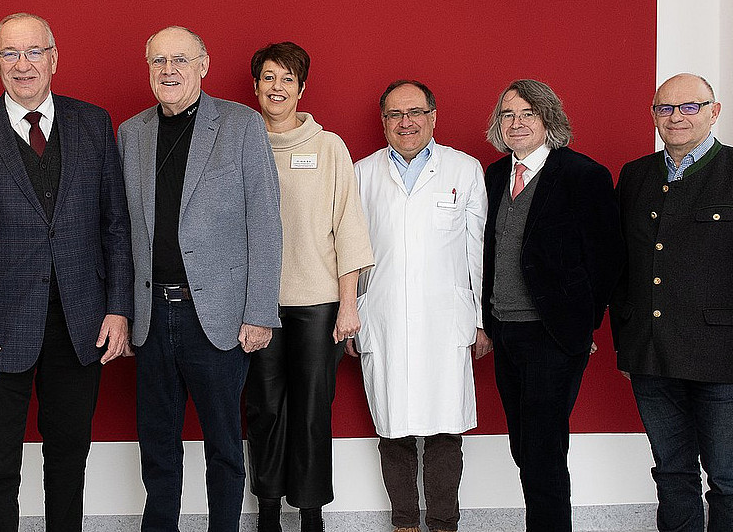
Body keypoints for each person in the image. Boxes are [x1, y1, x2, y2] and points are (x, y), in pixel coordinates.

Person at [0, 13, 134, 532]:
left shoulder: (93, 123)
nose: (23, 65)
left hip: (80, 323)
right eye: (10, 54)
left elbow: (115, 227)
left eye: (33, 52)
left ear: (54, 57)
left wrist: (118, 309)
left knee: (69, 461)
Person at [116, 26, 282, 532]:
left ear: (204, 65)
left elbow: (267, 222)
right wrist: (121, 310)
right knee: (157, 443)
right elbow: (120, 229)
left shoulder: (242, 125)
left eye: (180, 60)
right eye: (158, 61)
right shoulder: (131, 132)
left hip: (217, 316)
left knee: (224, 443)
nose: (169, 70)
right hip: (150, 317)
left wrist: (259, 313)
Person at [611, 73, 733, 532]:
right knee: (672, 474)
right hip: (652, 356)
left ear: (714, 111)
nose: (676, 117)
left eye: (689, 106)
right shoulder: (635, 175)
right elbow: (621, 264)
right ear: (654, 115)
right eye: (665, 108)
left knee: (730, 478)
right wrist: (626, 341)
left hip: (726, 362)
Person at [243, 41, 373, 532]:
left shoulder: (329, 146)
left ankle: (312, 512)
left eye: (287, 79)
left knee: (312, 409)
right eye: (269, 78)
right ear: (256, 85)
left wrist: (348, 305)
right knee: (264, 407)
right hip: (257, 305)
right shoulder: (241, 142)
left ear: (302, 88)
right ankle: (270, 510)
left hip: (318, 303)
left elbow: (349, 226)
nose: (277, 88)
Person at [481, 79, 622, 531]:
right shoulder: (496, 175)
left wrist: (583, 327)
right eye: (508, 114)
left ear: (549, 119)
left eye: (528, 114)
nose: (517, 123)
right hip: (505, 329)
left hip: (552, 333)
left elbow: (607, 259)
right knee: (524, 445)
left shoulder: (584, 175)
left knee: (543, 450)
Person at [351, 79, 489, 532]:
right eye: (394, 115)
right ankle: (405, 522)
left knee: (445, 429)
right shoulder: (363, 173)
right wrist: (351, 314)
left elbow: (477, 251)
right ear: (383, 122)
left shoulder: (464, 170)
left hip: (445, 319)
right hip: (383, 317)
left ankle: (445, 523)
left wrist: (481, 322)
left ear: (433, 116)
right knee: (393, 429)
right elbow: (349, 251)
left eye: (414, 113)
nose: (405, 123)